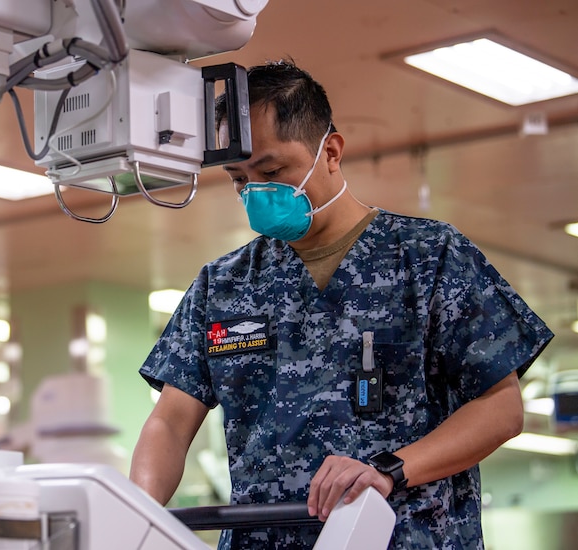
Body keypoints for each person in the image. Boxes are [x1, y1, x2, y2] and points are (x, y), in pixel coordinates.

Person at [128, 60, 554, 550]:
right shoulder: (222, 286)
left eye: (271, 170)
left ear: (330, 152)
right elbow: (170, 421)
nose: (255, 193)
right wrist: (135, 513)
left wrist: (390, 470)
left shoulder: (431, 257)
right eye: (239, 179)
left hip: (406, 535)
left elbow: (500, 410)